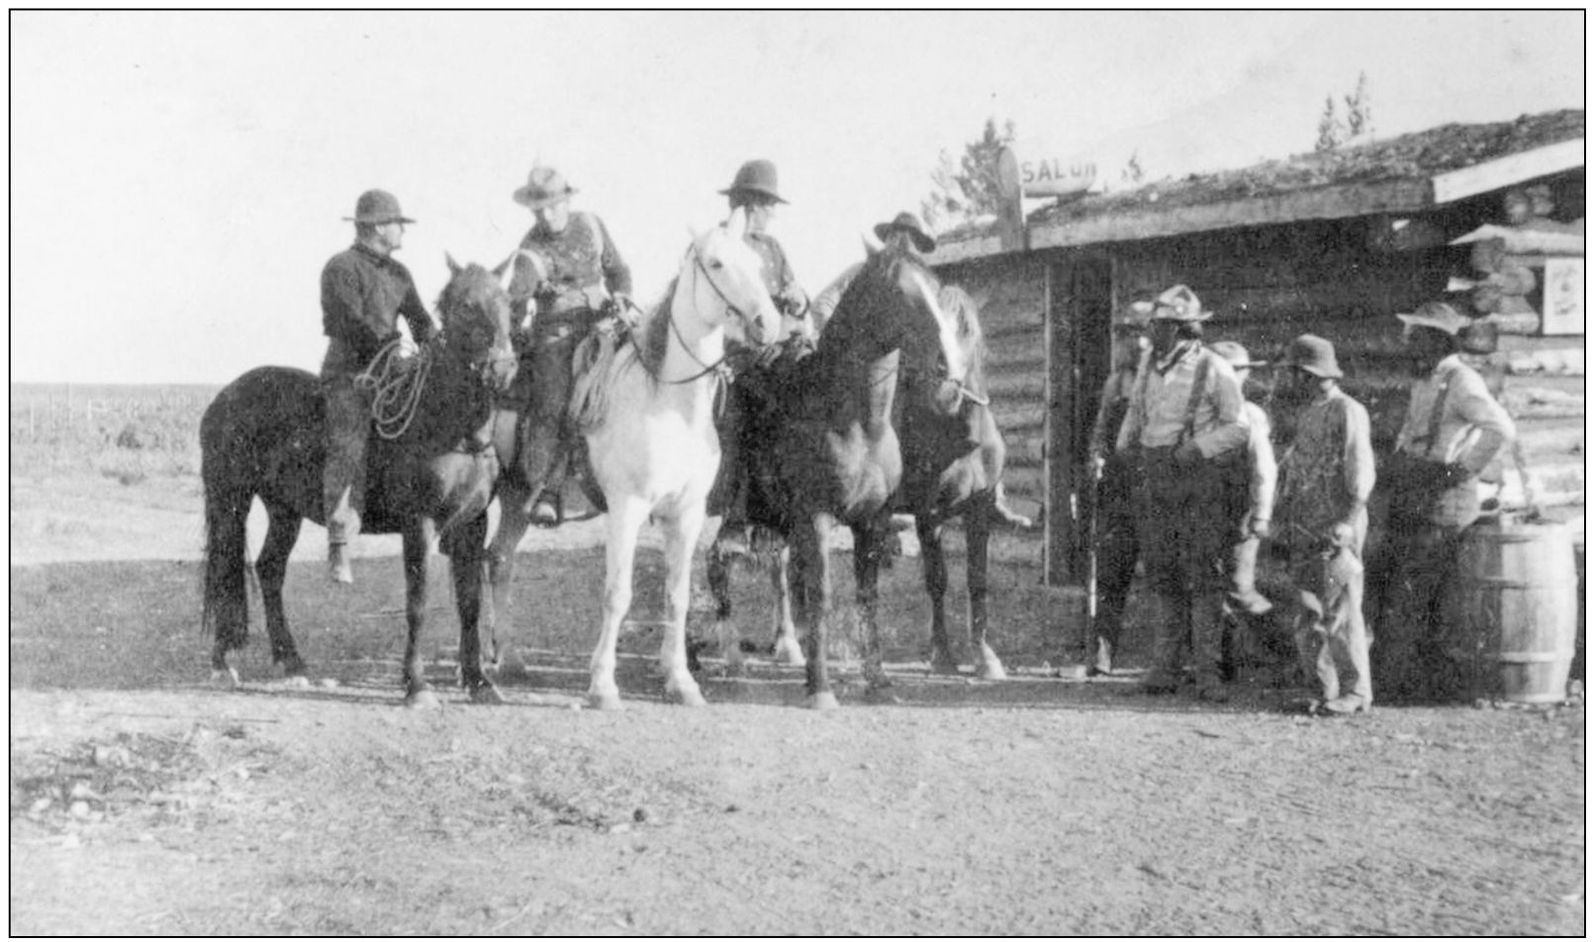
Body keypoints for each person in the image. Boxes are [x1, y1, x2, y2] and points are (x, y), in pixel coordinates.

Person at [1368, 301, 1515, 701]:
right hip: (1414, 489)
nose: (1408, 341)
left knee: (1418, 588)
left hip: (1444, 496)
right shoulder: (1426, 378)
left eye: (1416, 334)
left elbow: (1500, 428)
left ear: (1437, 339)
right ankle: (1396, 678)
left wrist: (1463, 469)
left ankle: (1411, 685)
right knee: (1397, 583)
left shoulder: (1461, 380)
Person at [1116, 285, 1249, 701]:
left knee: (1203, 579)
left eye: (1158, 326)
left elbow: (1239, 428)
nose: (1150, 332)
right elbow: (1136, 413)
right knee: (1162, 574)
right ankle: (1164, 669)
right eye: (1151, 325)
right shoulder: (1148, 366)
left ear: (1181, 329)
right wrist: (1124, 448)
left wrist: (1198, 448)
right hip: (1155, 477)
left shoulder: (1214, 368)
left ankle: (1208, 674)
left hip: (1196, 480)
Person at [319, 189, 436, 585]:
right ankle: (339, 540)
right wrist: (388, 348)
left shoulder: (400, 274)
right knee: (349, 444)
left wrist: (435, 346)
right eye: (397, 223)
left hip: (393, 371)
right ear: (379, 228)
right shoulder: (341, 268)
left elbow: (420, 321)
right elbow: (346, 323)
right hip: (350, 375)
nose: (402, 230)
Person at [506, 165, 633, 528]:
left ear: (566, 201)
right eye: (539, 210)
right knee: (555, 401)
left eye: (553, 206)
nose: (547, 215)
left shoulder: (592, 225)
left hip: (605, 320)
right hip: (557, 334)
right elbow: (516, 304)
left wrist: (622, 298)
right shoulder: (529, 252)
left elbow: (619, 270)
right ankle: (548, 489)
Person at [1272, 335, 1377, 716]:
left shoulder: (1347, 410)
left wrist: (1347, 523)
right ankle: (1321, 687)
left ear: (1309, 374)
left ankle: (1355, 691)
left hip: (1337, 520)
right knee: (1309, 610)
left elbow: (1360, 470)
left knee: (1341, 608)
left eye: (1294, 373)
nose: (1289, 380)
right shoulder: (1309, 411)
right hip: (1305, 521)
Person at [714, 160, 810, 556]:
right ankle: (737, 519)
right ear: (751, 204)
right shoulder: (718, 244)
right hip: (741, 355)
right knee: (755, 415)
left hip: (782, 347)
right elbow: (714, 309)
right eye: (769, 205)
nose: (772, 213)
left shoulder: (772, 248)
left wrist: (800, 301)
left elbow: (795, 292)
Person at [1083, 297, 1153, 676]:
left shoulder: (1164, 379)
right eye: (1127, 334)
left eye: (1140, 334)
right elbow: (1099, 432)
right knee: (1110, 574)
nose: (1134, 343)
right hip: (1119, 490)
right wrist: (1095, 457)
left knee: (1168, 576)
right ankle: (1102, 653)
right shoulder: (1117, 382)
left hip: (1157, 488)